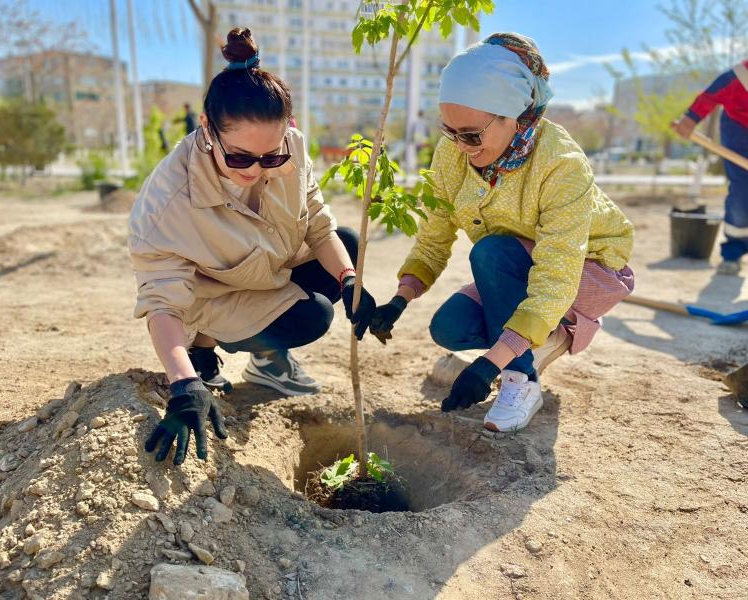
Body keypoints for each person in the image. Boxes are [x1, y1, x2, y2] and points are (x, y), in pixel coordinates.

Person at [129, 28, 377, 464]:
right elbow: (161, 301)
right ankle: (203, 350)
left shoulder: (293, 148)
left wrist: (350, 279)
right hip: (211, 295)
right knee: (313, 317)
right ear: (207, 129)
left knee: (347, 246)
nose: (258, 169)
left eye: (272, 157)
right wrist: (183, 385)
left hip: (264, 268)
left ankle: (264, 360)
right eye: (241, 157)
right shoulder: (168, 200)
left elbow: (318, 226)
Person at [369, 33, 635, 433]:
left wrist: (491, 365)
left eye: (471, 135)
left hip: (588, 269)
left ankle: (522, 380)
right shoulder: (453, 155)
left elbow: (554, 279)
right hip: (515, 267)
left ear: (516, 115)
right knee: (449, 327)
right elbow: (436, 233)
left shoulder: (562, 165)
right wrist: (400, 299)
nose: (460, 146)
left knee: (490, 252)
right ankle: (540, 338)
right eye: (449, 131)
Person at [672, 59, 748, 275]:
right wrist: (690, 119)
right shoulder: (740, 76)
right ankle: (733, 251)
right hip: (739, 129)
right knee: (742, 191)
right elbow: (710, 95)